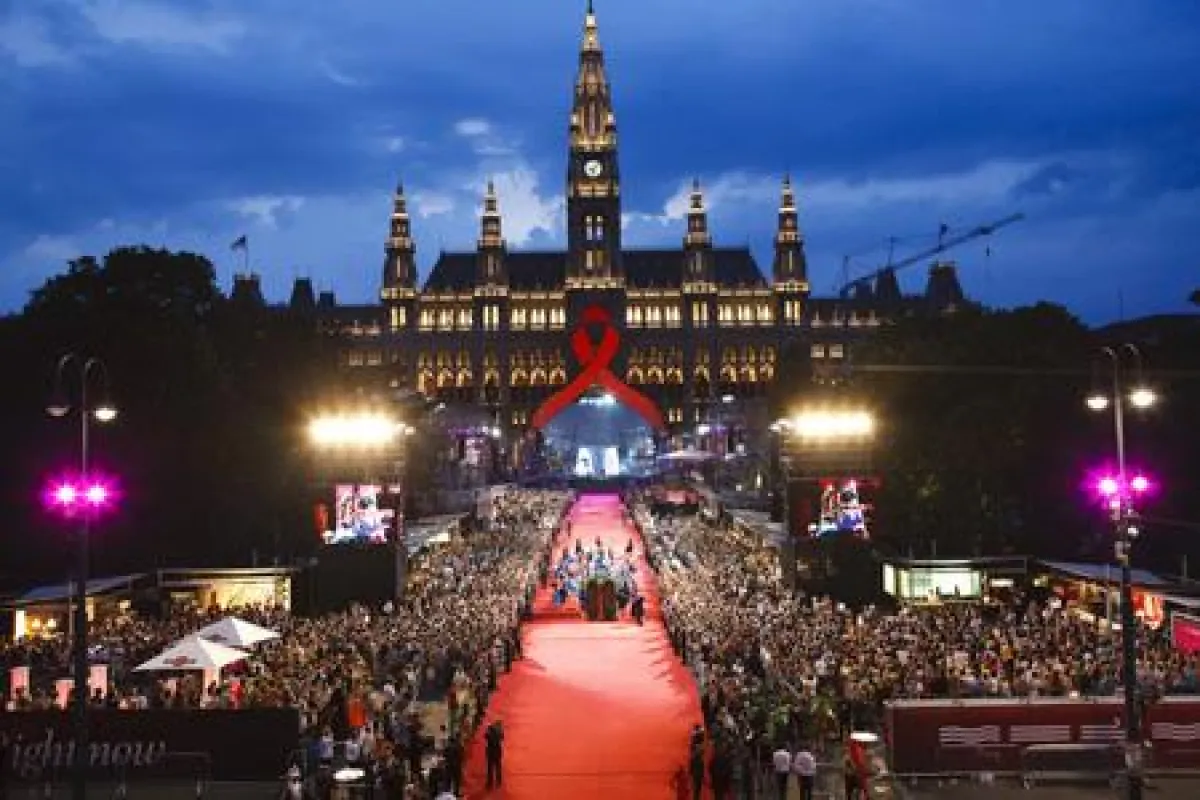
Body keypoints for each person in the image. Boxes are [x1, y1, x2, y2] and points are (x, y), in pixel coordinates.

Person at [484, 720, 504, 790]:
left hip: (490, 752)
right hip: (497, 751)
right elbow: (502, 737)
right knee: (498, 766)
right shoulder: (499, 731)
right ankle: (498, 781)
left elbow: (485, 736)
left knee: (490, 768)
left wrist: (488, 729)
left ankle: (490, 782)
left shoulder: (489, 732)